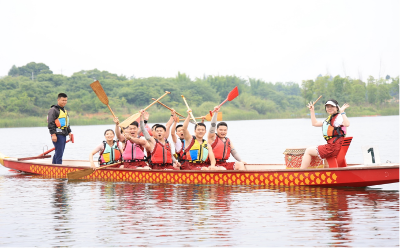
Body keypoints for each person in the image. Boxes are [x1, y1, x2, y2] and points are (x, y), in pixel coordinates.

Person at [300, 99, 350, 169]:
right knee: (316, 151)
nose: (329, 108)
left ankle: (301, 173)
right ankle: (328, 173)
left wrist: (342, 112)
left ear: (337, 108)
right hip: (335, 147)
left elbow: (347, 124)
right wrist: (312, 111)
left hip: (332, 148)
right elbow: (315, 123)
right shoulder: (330, 118)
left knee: (308, 151)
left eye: (332, 106)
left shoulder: (338, 118)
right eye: (327, 107)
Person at [47, 93, 72, 164]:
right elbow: (50, 123)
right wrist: (53, 134)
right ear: (58, 100)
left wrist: (69, 132)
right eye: (62, 100)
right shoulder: (53, 110)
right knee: (59, 152)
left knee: (59, 151)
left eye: (65, 100)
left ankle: (54, 166)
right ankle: (59, 167)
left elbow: (67, 123)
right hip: (57, 134)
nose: (64, 102)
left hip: (63, 134)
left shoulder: (64, 111)